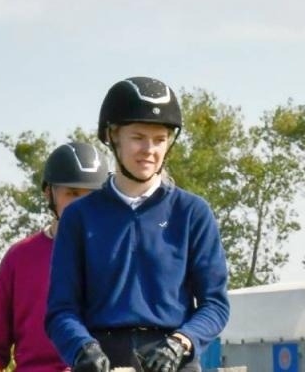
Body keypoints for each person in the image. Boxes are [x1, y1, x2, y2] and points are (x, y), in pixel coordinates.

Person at [46, 76, 229, 372]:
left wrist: (182, 341)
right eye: (138, 137)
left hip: (173, 358)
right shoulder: (79, 217)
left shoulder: (193, 212)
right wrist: (83, 347)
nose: (149, 149)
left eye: (160, 140)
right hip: (103, 357)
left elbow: (215, 304)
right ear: (113, 136)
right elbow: (60, 310)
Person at [0, 141, 112, 372]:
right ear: (48, 193)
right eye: (72, 193)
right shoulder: (20, 257)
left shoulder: (120, 254)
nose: (82, 204)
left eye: (92, 195)